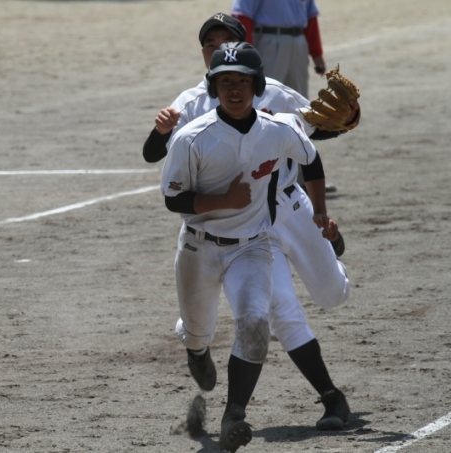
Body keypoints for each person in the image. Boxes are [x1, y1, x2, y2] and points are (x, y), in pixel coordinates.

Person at [143, 13, 352, 431]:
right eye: (210, 44)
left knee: (333, 295)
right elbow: (155, 157)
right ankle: (327, 398)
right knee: (277, 309)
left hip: (289, 205)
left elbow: (314, 134)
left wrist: (346, 120)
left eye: (226, 41)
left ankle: (331, 248)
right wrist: (160, 131)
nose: (217, 49)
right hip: (245, 224)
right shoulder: (192, 104)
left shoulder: (272, 93)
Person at [231, 0, 325, 100]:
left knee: (298, 97)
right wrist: (245, 53)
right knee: (266, 94)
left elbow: (311, 18)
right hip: (269, 42)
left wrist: (317, 53)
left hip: (299, 42)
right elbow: (243, 17)